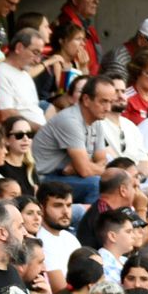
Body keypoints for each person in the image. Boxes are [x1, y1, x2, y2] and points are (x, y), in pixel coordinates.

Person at [31, 76, 117, 204]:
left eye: (111, 102)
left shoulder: (96, 121)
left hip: (67, 176)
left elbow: (102, 160)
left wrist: (79, 167)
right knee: (96, 183)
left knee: (117, 183)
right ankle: (89, 223)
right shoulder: (70, 120)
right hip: (43, 179)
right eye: (103, 101)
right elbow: (85, 170)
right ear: (87, 100)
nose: (108, 108)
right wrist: (88, 167)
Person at [0, 29, 46, 130]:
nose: (38, 60)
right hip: (24, 136)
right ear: (19, 48)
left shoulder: (25, 75)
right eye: (35, 52)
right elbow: (6, 114)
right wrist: (42, 131)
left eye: (40, 55)